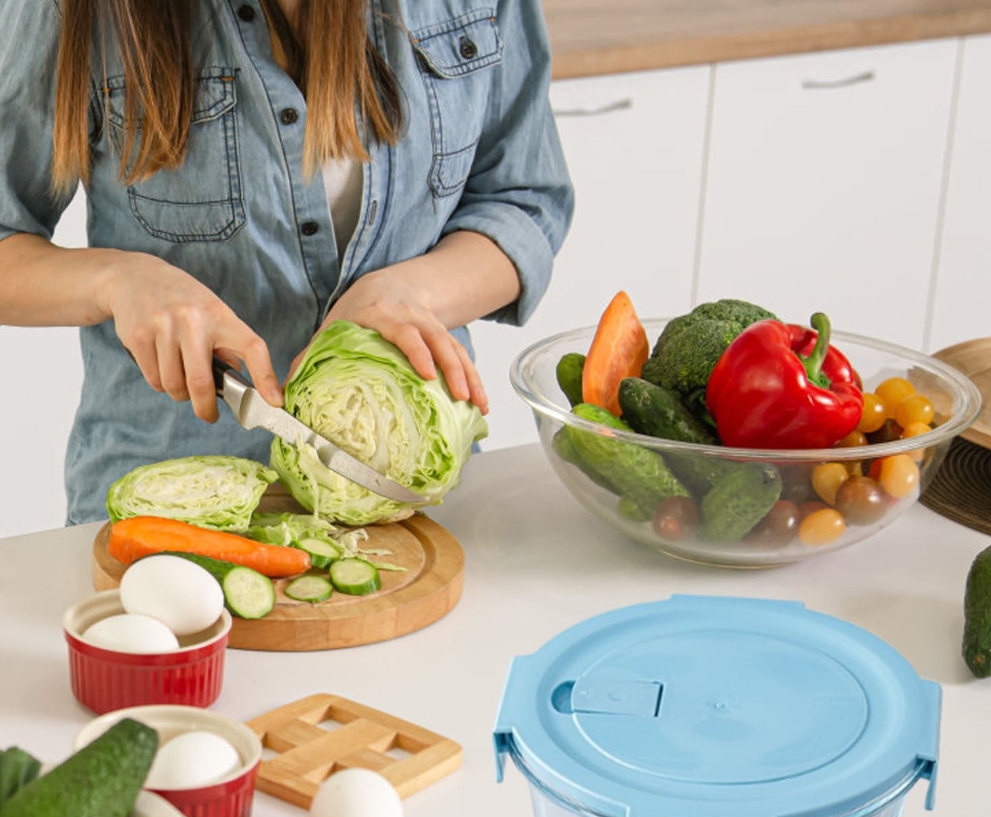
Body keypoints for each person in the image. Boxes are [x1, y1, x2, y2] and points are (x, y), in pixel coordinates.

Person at [0, 0, 573, 524]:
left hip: (418, 501)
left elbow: (524, 200)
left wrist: (411, 293)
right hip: (168, 498)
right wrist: (119, 281)